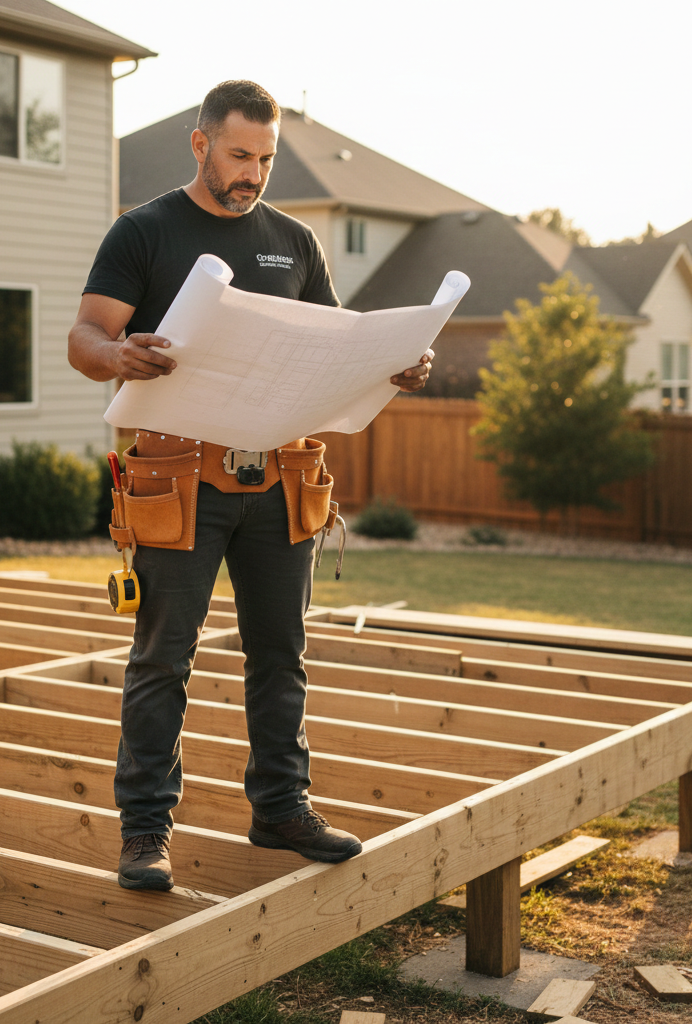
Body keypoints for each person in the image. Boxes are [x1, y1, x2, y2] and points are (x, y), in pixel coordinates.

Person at [68, 80, 433, 891]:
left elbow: (339, 346)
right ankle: (145, 832)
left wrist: (394, 364)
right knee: (163, 657)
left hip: (281, 478)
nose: (253, 173)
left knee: (282, 653)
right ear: (200, 145)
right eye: (239, 155)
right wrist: (117, 354)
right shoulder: (145, 231)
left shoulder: (295, 241)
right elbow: (86, 336)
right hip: (178, 480)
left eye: (265, 159)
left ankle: (280, 807)